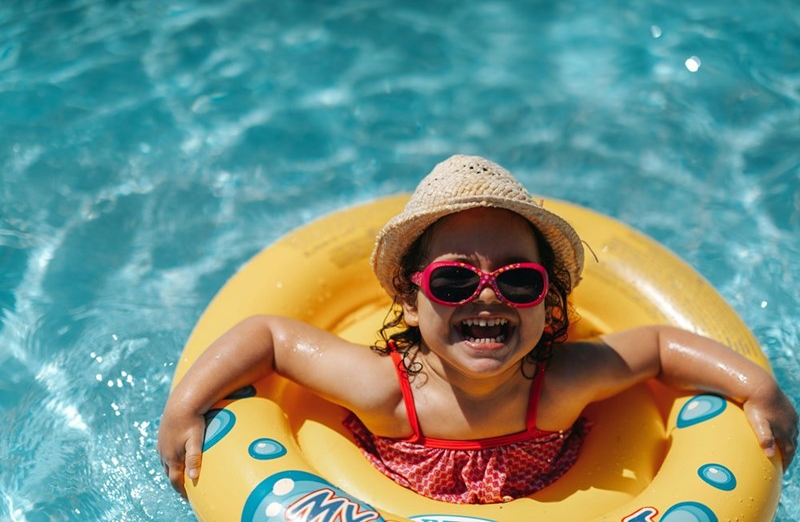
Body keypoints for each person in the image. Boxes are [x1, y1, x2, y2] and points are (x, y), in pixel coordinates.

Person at [158, 154, 798, 504]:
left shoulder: (561, 383)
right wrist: (186, 407)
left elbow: (658, 347)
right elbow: (268, 337)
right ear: (411, 304)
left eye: (518, 281)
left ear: (548, 305)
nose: (486, 297)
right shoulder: (385, 390)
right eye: (454, 282)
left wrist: (757, 388)